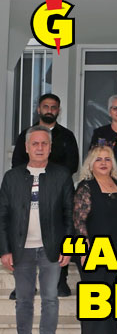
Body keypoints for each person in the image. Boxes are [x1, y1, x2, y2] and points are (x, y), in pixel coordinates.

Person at [0, 126, 73, 334]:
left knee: (50, 299)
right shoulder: (11, 177)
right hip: (21, 249)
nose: (39, 148)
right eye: (35, 143)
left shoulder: (62, 175)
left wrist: (68, 248)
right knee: (23, 300)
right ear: (26, 147)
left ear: (50, 148)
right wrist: (5, 250)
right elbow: (2, 216)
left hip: (51, 248)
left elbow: (69, 215)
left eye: (44, 144)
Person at [11, 93, 79, 298]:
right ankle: (25, 283)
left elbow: (73, 164)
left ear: (58, 110)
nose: (49, 110)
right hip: (28, 189)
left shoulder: (66, 136)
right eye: (46, 106)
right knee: (24, 231)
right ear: (39, 109)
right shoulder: (26, 134)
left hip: (58, 191)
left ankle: (60, 280)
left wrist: (53, 177)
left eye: (53, 107)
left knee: (60, 231)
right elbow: (17, 163)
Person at [73, 145, 117, 334]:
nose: (103, 163)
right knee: (95, 297)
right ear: (90, 165)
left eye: (107, 159)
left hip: (116, 249)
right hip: (92, 249)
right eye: (98, 159)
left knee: (111, 297)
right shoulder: (85, 187)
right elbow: (79, 222)